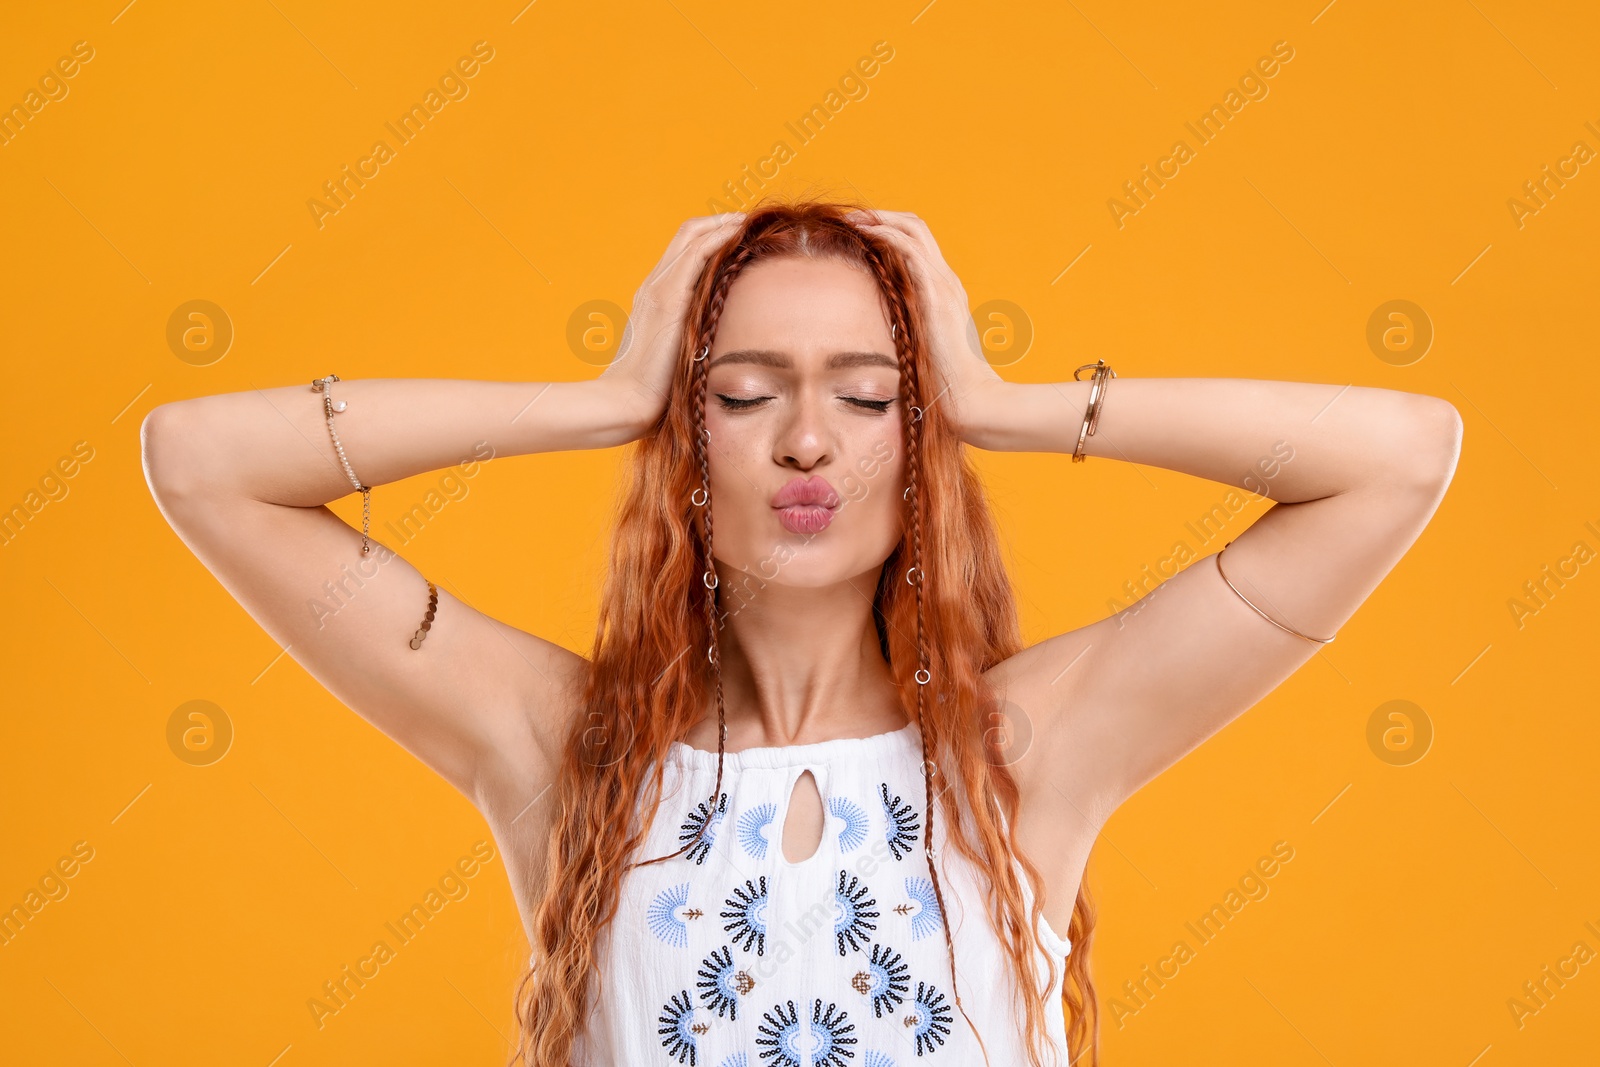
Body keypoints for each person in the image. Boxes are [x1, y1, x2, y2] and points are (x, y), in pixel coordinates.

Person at [140, 199, 1462, 1067]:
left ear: (920, 432)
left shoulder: (1027, 751)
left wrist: (1004, 403)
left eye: (874, 395)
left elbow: (1400, 460)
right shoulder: (570, 753)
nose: (808, 439)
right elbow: (201, 462)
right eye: (744, 392)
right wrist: (598, 401)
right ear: (687, 436)